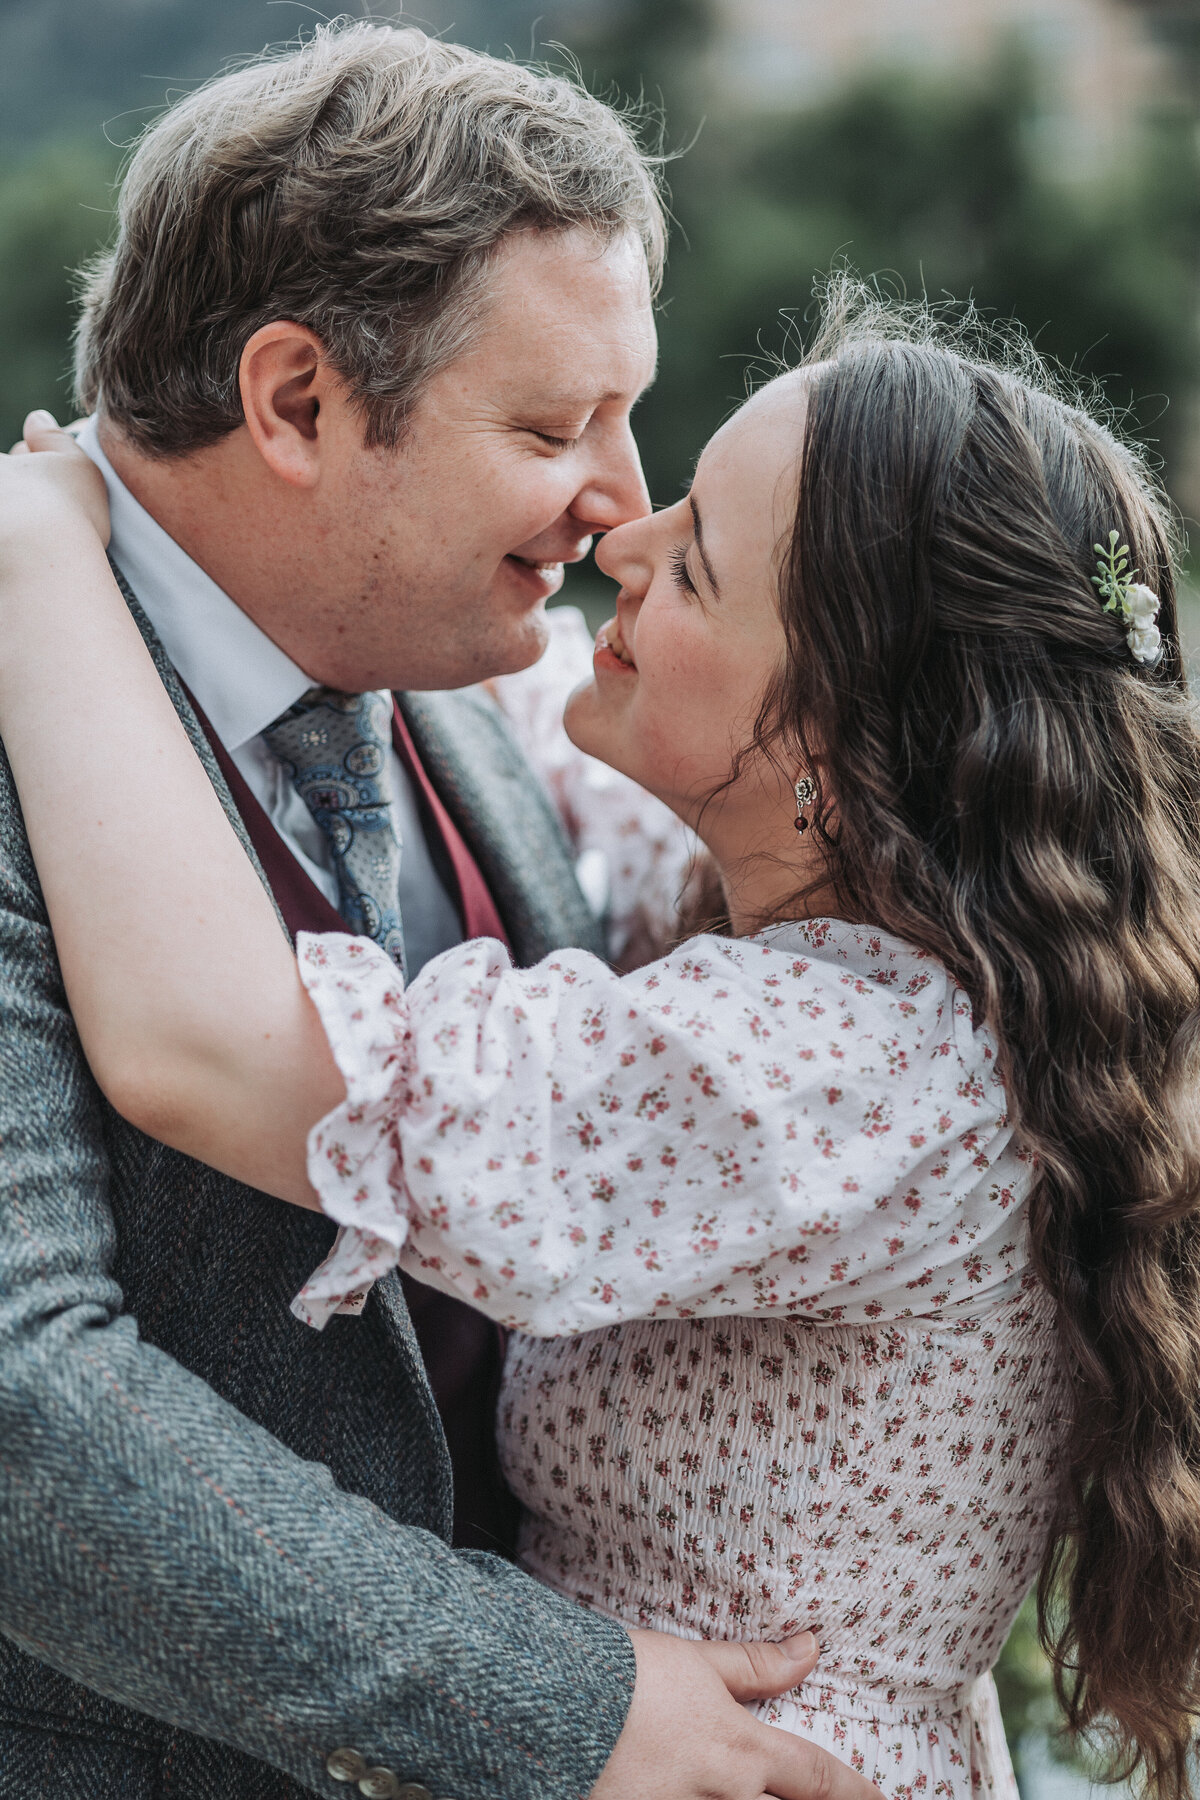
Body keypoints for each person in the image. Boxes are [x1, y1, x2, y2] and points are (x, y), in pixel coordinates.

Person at [6, 283, 1200, 1800]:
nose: (622, 538)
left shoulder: (839, 1073)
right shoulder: (861, 932)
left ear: (830, 744)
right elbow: (539, 709)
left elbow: (216, 1049)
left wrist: (41, 562)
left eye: (695, 563)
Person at [0, 22, 880, 1800]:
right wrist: (549, 1707)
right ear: (297, 402)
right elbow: (24, 1408)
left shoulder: (469, 690)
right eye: (556, 426)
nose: (624, 506)